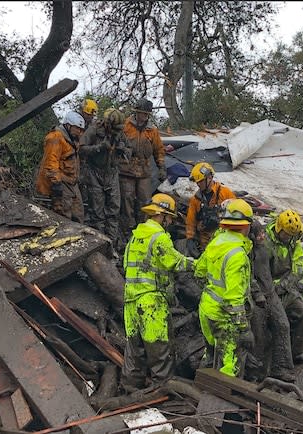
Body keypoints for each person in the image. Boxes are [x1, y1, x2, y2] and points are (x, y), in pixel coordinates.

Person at [120, 193, 196, 392]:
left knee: (134, 351)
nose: (170, 221)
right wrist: (202, 265)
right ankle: (160, 394)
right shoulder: (160, 237)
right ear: (161, 215)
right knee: (159, 351)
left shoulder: (135, 237)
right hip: (151, 302)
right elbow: (177, 262)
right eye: (169, 217)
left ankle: (129, 388)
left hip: (130, 301)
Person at [194, 199, 254, 378]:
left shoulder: (216, 241)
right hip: (224, 317)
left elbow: (199, 271)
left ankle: (202, 388)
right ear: (246, 226)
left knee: (211, 353)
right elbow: (234, 299)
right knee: (230, 365)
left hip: (206, 310)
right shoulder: (237, 254)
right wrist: (244, 328)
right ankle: (222, 403)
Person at [264, 209, 303, 364]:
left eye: (291, 235)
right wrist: (274, 289)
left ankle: (298, 352)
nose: (288, 238)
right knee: (278, 322)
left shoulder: (295, 244)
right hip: (269, 290)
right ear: (279, 229)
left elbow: (298, 269)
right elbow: (262, 273)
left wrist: (293, 285)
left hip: (287, 288)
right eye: (286, 234)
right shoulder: (266, 243)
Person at [248, 221, 295, 382]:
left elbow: (273, 269)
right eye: (259, 234)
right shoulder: (247, 251)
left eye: (263, 233)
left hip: (271, 293)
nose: (263, 236)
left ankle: (281, 368)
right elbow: (248, 276)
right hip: (257, 297)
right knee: (259, 335)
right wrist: (257, 294)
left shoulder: (265, 248)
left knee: (283, 326)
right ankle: (255, 374)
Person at [80, 108, 131, 246]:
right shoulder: (93, 130)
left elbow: (130, 150)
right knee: (97, 212)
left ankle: (112, 244)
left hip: (112, 173)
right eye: (114, 128)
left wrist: (123, 149)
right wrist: (99, 147)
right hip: (94, 172)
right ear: (107, 124)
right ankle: (100, 244)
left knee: (114, 209)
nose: (116, 131)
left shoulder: (120, 133)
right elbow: (81, 149)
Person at [119, 98, 167, 242]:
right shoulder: (125, 126)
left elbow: (159, 150)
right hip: (126, 170)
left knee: (145, 201)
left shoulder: (152, 130)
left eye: (146, 114)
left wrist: (161, 167)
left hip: (144, 171)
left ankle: (143, 228)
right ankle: (128, 231)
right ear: (136, 113)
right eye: (142, 113)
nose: (144, 116)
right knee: (127, 199)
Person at [35, 111, 85, 223]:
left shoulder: (72, 139)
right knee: (64, 215)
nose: (80, 132)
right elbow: (51, 164)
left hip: (72, 182)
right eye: (77, 129)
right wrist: (57, 185)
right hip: (61, 182)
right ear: (68, 125)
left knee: (78, 214)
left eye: (81, 130)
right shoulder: (55, 138)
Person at [186, 162, 236, 257]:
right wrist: (190, 239)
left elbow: (237, 212)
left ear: (209, 177)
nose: (198, 184)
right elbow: (190, 222)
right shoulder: (195, 199)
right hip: (205, 242)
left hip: (223, 239)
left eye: (200, 181)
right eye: (197, 182)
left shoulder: (225, 193)